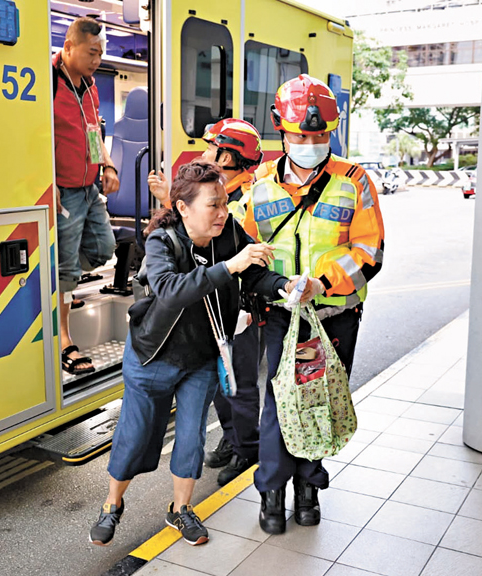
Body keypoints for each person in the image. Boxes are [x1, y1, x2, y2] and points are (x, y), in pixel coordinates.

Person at [89, 161, 319, 547]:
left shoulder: (227, 231)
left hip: (201, 358)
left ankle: (180, 510)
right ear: (183, 208)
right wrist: (230, 266)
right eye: (213, 205)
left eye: (225, 203)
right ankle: (112, 505)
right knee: (136, 434)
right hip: (153, 357)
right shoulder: (163, 240)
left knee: (192, 438)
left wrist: (285, 285)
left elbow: (255, 272)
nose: (223, 212)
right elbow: (170, 289)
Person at [239, 74, 385, 534]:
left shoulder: (354, 180)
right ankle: (271, 494)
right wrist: (275, 286)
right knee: (279, 403)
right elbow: (244, 248)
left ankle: (308, 489)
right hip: (280, 315)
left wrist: (322, 283)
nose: (310, 143)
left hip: (335, 315)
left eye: (319, 135)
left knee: (320, 399)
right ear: (281, 130)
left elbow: (370, 250)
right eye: (301, 135)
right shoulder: (259, 183)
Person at [148, 119, 267, 486]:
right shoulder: (224, 191)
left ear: (228, 154)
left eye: (211, 147)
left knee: (240, 384)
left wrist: (174, 199)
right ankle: (234, 440)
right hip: (213, 309)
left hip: (240, 309)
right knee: (220, 383)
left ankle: (248, 448)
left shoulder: (245, 200)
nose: (203, 153)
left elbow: (224, 242)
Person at [53, 17, 119, 375]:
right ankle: (63, 339)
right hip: (63, 190)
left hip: (88, 186)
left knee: (102, 249)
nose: (97, 60)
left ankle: (63, 290)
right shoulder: (48, 83)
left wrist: (107, 166)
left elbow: (94, 133)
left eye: (101, 53)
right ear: (68, 48)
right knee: (64, 268)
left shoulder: (90, 86)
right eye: (91, 52)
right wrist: (48, 187)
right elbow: (34, 142)